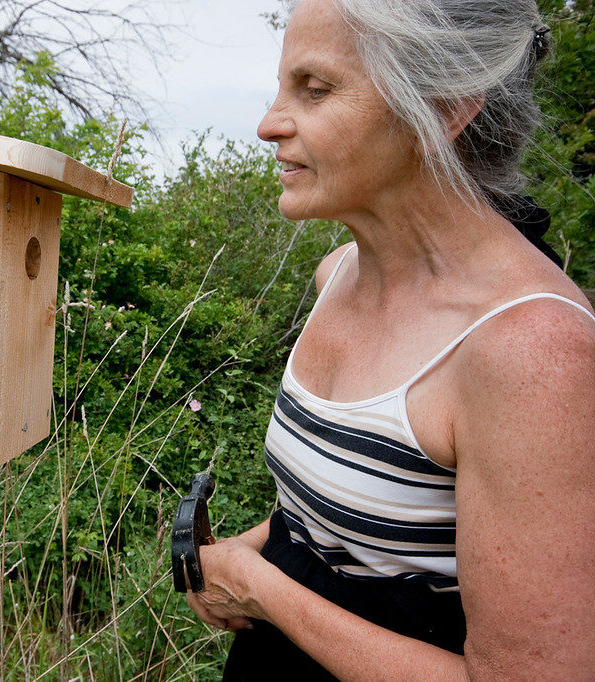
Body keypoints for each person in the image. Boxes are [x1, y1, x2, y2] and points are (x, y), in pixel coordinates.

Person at [184, 0, 595, 678]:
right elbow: (359, 521)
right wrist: (252, 547)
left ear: (443, 108)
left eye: (314, 90)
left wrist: (262, 590)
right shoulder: (339, 274)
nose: (268, 124)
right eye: (281, 87)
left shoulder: (532, 355)